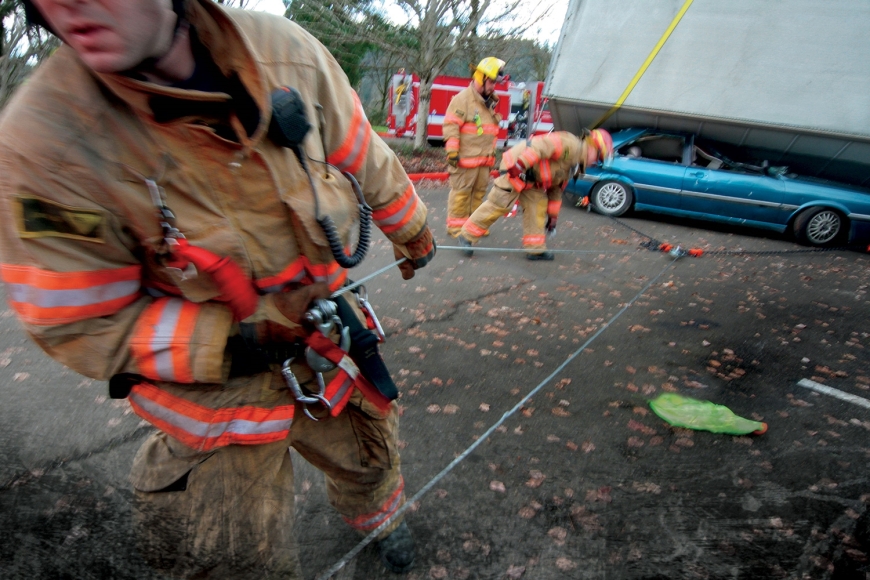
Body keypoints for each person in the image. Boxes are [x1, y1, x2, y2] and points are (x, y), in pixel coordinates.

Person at [0, 0, 436, 577]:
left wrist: (413, 230)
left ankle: (382, 521)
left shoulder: (288, 55)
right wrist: (231, 344)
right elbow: (80, 319)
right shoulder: (45, 149)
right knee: (229, 551)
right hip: (217, 395)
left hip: (332, 342)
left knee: (370, 454)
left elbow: (361, 150)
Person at [458, 129, 614, 260]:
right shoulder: (569, 144)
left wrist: (553, 218)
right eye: (598, 156)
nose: (596, 162)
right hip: (517, 165)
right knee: (499, 203)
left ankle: (535, 248)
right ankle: (466, 235)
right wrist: (520, 166)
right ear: (592, 146)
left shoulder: (575, 165)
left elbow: (556, 190)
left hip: (533, 180)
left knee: (537, 207)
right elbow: (539, 147)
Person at [443, 57, 506, 240]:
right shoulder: (463, 99)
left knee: (478, 194)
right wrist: (452, 152)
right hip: (464, 159)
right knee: (461, 193)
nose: (494, 86)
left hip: (483, 160)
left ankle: (473, 225)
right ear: (481, 78)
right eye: (492, 81)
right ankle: (456, 227)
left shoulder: (488, 102)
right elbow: (451, 126)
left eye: (495, 82)